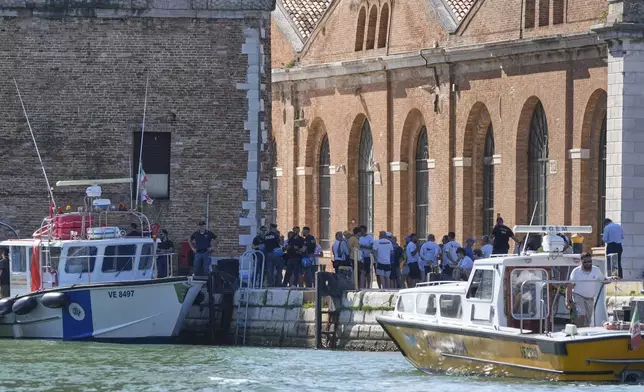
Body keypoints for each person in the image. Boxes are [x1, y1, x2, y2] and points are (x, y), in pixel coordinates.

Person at [566, 252, 609, 327]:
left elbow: (604, 280)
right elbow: (570, 286)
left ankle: (584, 333)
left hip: (590, 298)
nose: (588, 263)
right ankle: (579, 333)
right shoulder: (576, 271)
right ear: (581, 261)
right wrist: (567, 300)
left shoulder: (596, 270)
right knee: (581, 313)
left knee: (588, 320)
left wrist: (613, 279)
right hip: (578, 295)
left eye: (590, 261)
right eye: (585, 262)